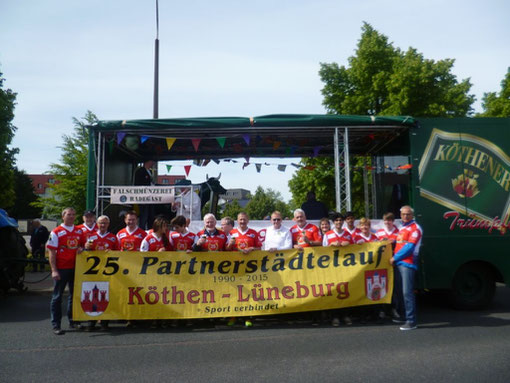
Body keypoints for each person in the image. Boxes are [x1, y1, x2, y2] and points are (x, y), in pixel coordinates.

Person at [46, 207, 84, 335]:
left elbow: (83, 245)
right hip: (61, 268)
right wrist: (54, 270)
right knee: (57, 297)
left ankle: (73, 320)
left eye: (73, 214)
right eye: (69, 214)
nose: (71, 216)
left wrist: (82, 248)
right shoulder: (56, 231)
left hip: (76, 269)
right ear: (63, 216)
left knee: (74, 296)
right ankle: (56, 324)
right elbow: (51, 251)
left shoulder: (79, 231)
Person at [83, 214, 118, 331]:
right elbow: (85, 254)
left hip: (108, 272)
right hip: (94, 273)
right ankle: (91, 322)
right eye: (100, 223)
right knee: (93, 296)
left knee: (106, 295)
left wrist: (112, 252)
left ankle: (104, 322)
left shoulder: (113, 238)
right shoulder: (91, 238)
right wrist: (86, 248)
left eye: (105, 223)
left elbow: (120, 255)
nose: (102, 225)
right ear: (97, 224)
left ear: (108, 224)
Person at [391, 205, 423, 331]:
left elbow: (409, 248)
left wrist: (394, 258)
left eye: (408, 214)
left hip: (408, 264)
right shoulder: (402, 227)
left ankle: (411, 321)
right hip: (399, 263)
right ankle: (404, 316)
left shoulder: (416, 228)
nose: (405, 216)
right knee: (400, 292)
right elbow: (399, 243)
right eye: (403, 214)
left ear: (412, 215)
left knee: (407, 292)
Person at [323, 213, 353, 326]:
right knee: (334, 291)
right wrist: (330, 245)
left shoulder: (348, 234)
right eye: (336, 221)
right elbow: (323, 251)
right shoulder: (328, 235)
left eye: (340, 220)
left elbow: (355, 250)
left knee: (345, 290)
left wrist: (348, 244)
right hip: (332, 267)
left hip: (345, 267)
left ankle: (345, 315)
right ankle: (334, 316)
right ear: (334, 222)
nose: (339, 222)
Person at [134, 160, 156, 230]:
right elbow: (137, 184)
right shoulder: (140, 171)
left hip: (151, 197)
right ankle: (142, 230)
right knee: (144, 215)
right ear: (148, 162)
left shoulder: (150, 171)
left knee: (151, 215)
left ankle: (150, 229)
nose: (153, 163)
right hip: (143, 197)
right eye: (152, 162)